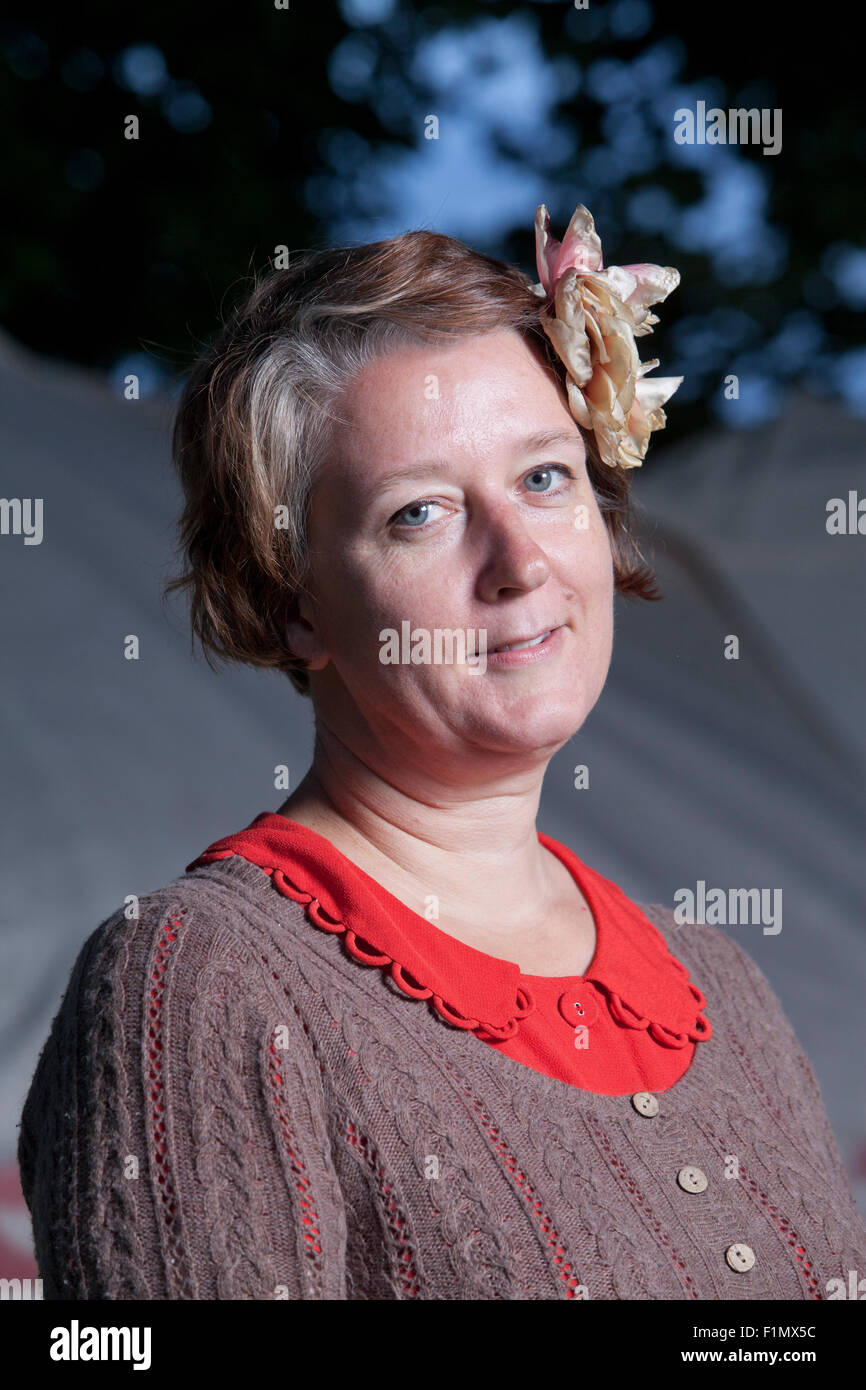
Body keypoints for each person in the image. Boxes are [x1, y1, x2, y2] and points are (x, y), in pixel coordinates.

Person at [18, 204, 866, 1300]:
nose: (517, 560)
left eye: (545, 478)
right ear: (293, 607)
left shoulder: (717, 985)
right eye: (419, 513)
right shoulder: (203, 982)